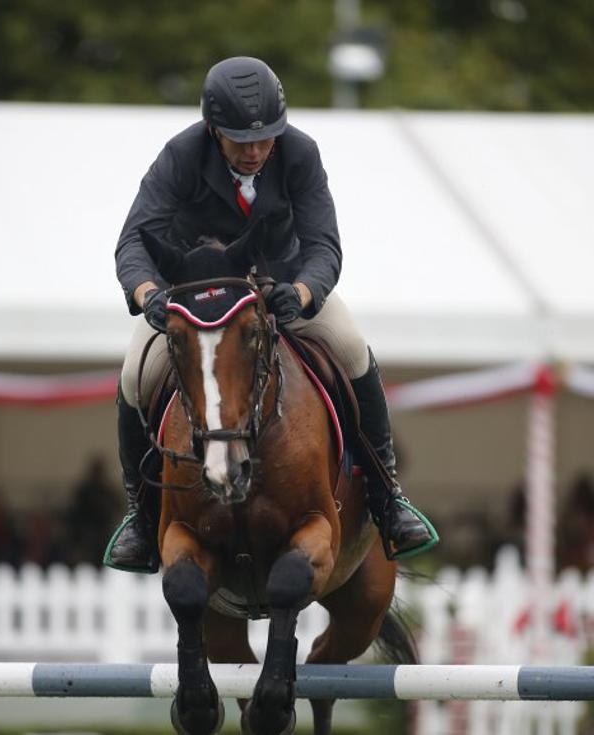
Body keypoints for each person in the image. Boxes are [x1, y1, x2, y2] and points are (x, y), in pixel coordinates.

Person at [107, 56, 433, 573]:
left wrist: (303, 293)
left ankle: (388, 496)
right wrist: (148, 292)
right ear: (213, 129)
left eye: (265, 139)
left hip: (284, 292)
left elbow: (325, 244)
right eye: (242, 141)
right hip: (199, 303)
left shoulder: (299, 153)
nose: (257, 151)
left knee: (351, 350)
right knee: (134, 375)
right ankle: (141, 518)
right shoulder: (181, 155)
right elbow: (133, 242)